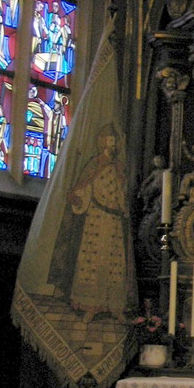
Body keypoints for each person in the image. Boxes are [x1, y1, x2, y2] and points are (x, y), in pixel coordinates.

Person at [62, 124, 130, 323]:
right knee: (93, 260)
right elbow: (84, 186)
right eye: (109, 139)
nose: (112, 143)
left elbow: (121, 190)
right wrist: (77, 197)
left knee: (113, 262)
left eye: (114, 140)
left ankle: (114, 305)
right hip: (96, 218)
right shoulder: (94, 163)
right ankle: (90, 305)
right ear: (102, 142)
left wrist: (123, 205)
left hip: (114, 219)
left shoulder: (118, 166)